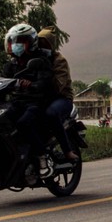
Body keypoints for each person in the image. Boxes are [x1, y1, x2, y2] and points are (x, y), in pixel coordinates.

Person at [2, 23, 55, 177]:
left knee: (23, 123)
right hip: (17, 103)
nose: (16, 45)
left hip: (36, 103)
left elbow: (45, 82)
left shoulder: (40, 61)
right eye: (13, 42)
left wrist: (32, 85)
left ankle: (41, 157)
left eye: (21, 42)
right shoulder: (10, 65)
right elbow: (2, 81)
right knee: (3, 121)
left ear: (30, 43)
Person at [37, 26, 79, 163]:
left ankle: (67, 151)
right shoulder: (35, 60)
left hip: (62, 99)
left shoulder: (59, 61)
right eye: (39, 43)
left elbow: (59, 87)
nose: (41, 47)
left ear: (51, 45)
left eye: (44, 44)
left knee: (51, 113)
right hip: (42, 99)